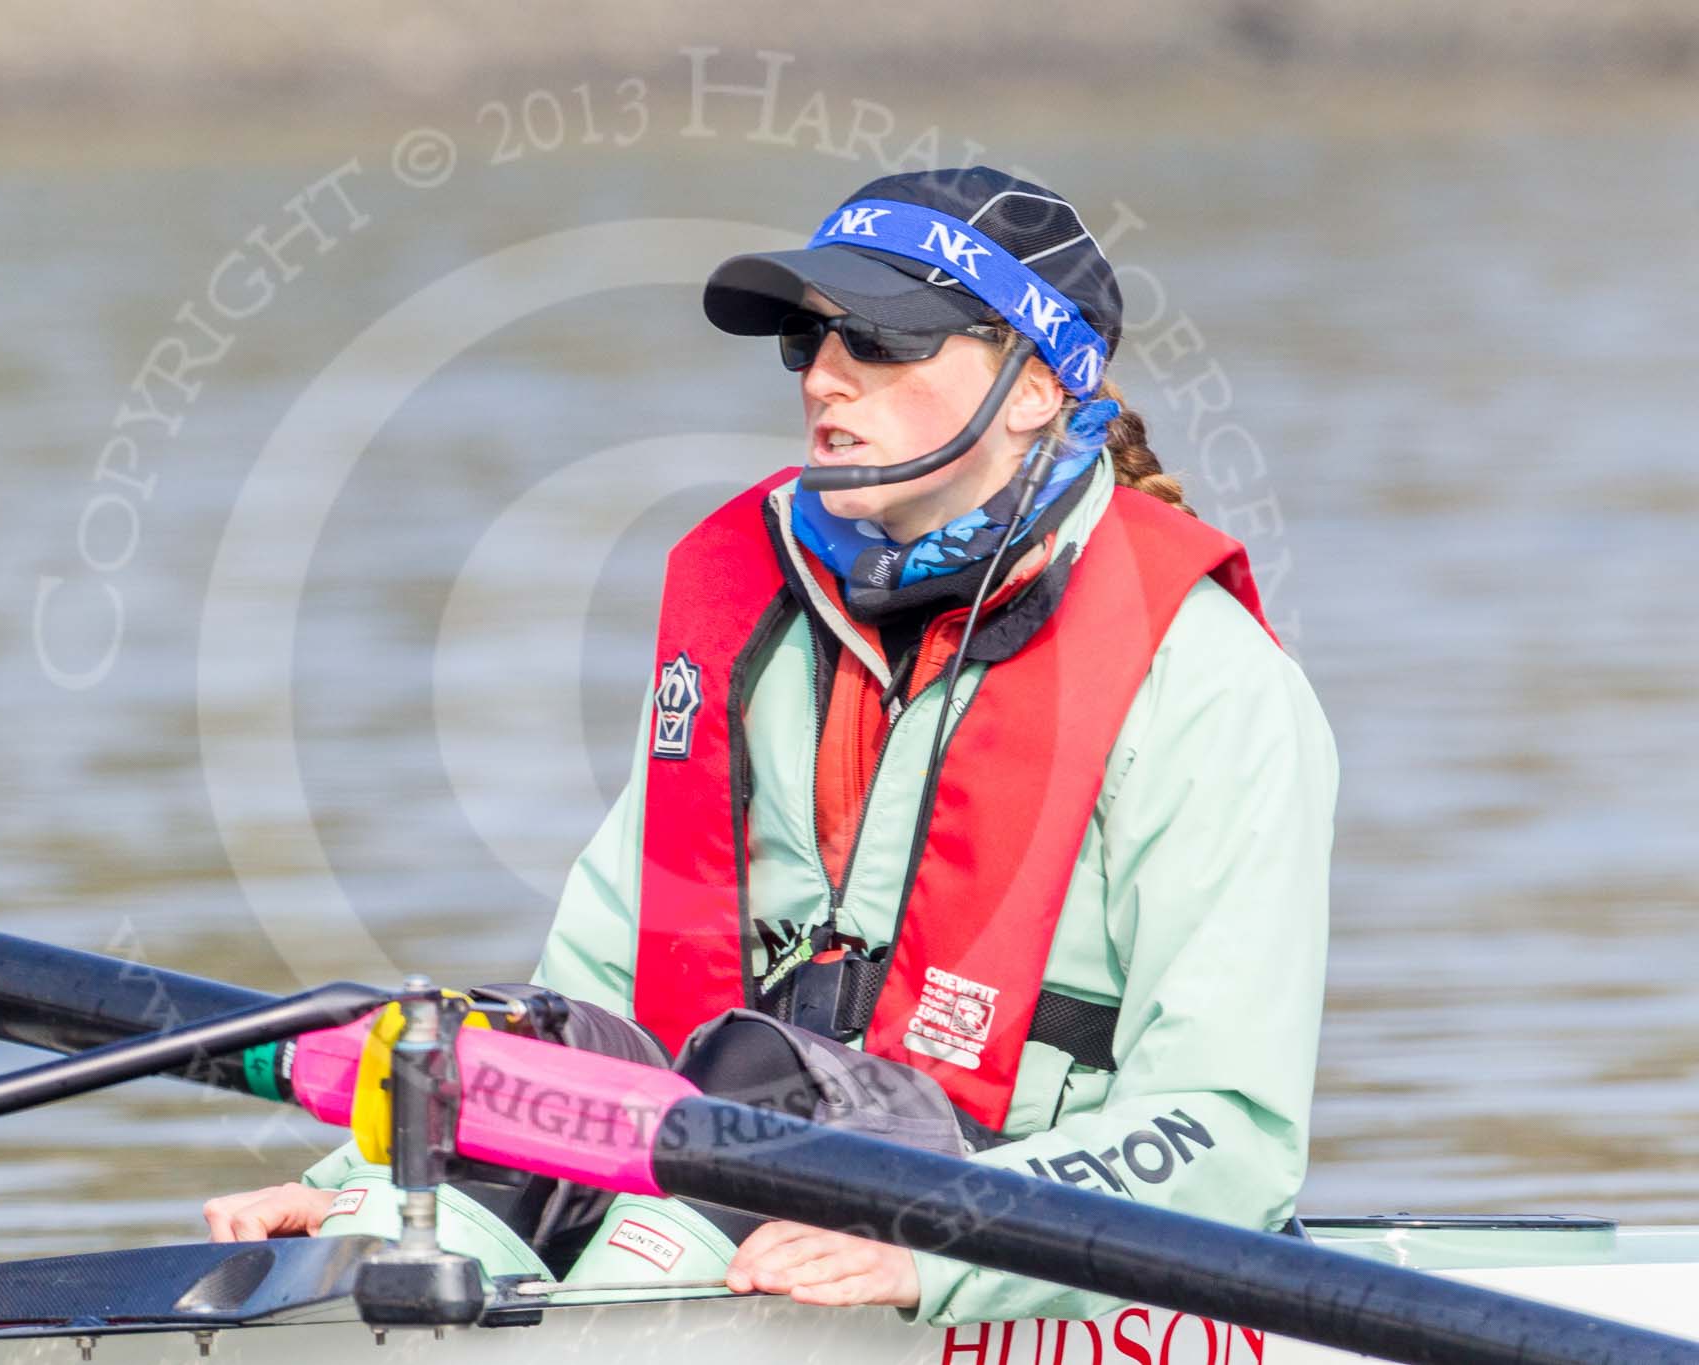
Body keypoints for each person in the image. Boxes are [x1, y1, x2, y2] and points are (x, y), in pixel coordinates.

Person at [204, 166, 1337, 1329]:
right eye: (806, 339)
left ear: (1037, 386)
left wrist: (935, 1247)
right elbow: (598, 1012)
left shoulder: (1207, 685)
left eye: (885, 338)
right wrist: (367, 1183)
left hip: (1006, 1243)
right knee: (499, 1050)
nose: (827, 378)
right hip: (756, 1170)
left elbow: (1230, 1137)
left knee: (751, 1105)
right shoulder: (754, 633)